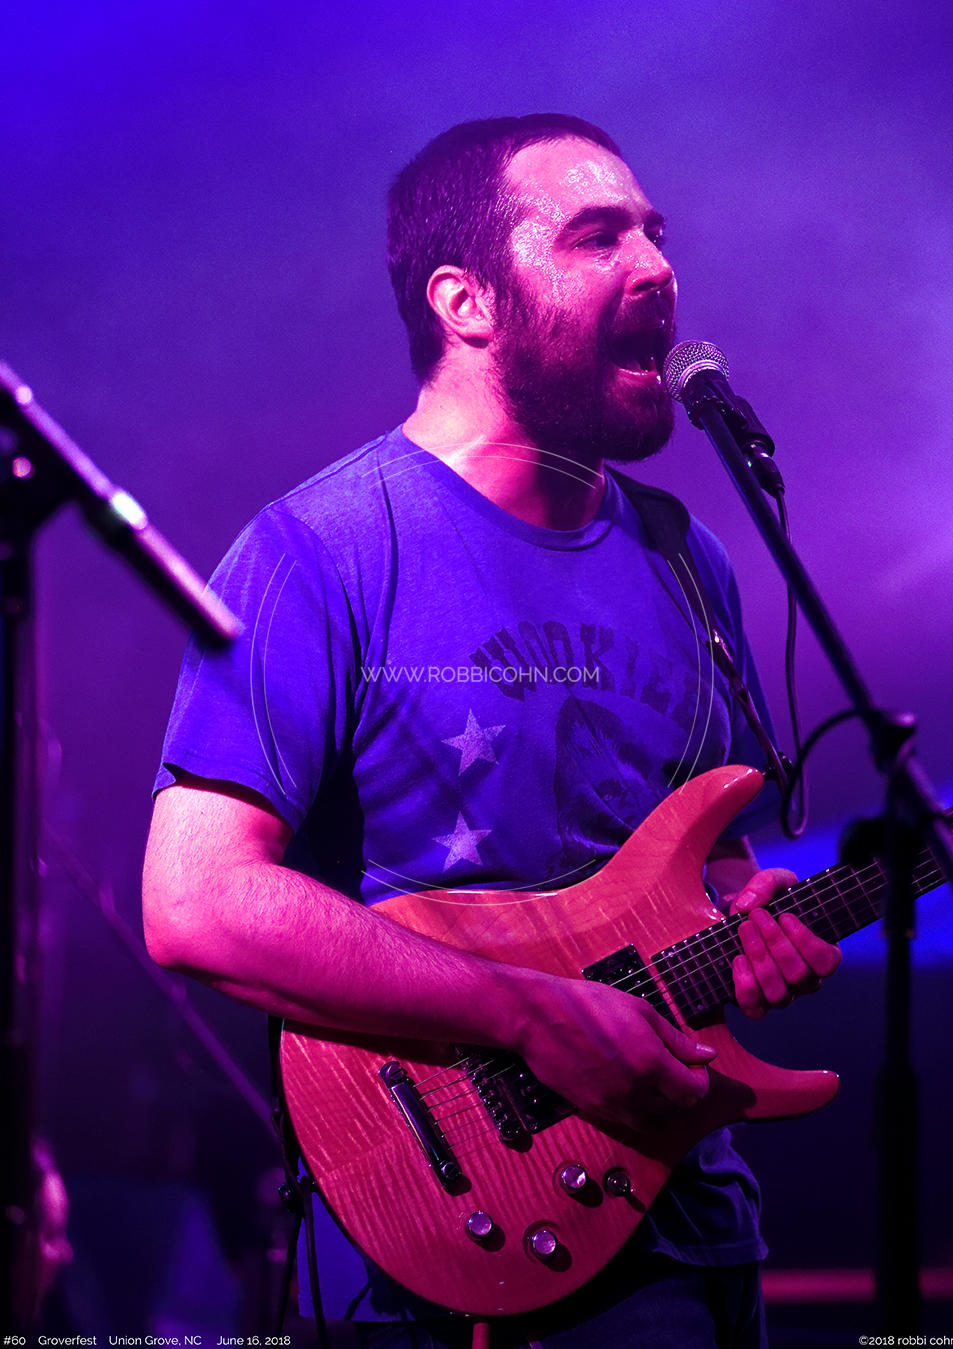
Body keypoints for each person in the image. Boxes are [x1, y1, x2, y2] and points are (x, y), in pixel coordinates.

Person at [143, 114, 842, 1347]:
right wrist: (527, 1013)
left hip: (693, 1225)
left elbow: (698, 861)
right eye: (596, 236)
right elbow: (196, 902)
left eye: (654, 233)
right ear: (464, 301)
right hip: (447, 1244)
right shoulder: (319, 551)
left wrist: (749, 920)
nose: (656, 267)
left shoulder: (691, 559)